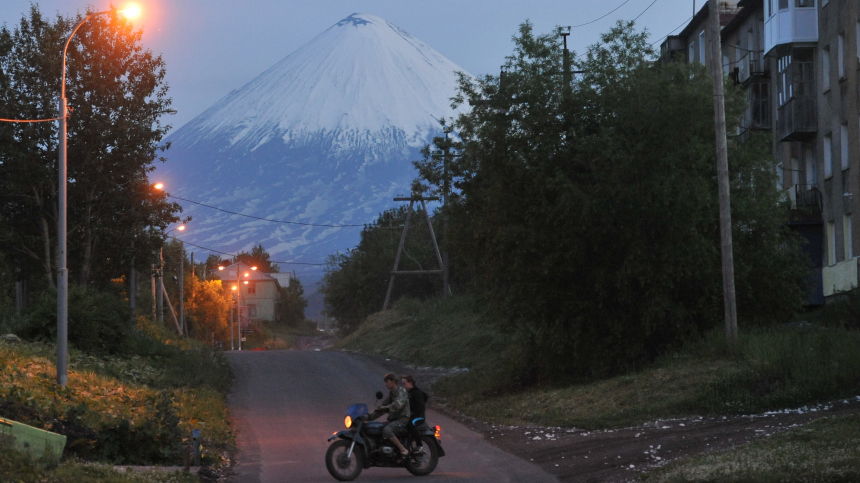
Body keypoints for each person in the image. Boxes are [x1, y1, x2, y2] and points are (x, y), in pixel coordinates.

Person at [368, 373, 411, 458]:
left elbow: (398, 404)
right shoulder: (390, 394)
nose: (386, 384)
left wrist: (387, 408)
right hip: (394, 420)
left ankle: (403, 450)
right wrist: (369, 417)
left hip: (402, 420)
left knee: (387, 430)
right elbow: (382, 408)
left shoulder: (401, 391)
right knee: (377, 427)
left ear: (393, 381)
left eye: (387, 382)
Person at [402, 374, 429, 450]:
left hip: (419, 417)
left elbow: (419, 407)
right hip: (413, 415)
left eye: (404, 384)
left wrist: (411, 414)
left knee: (410, 424)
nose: (403, 386)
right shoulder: (409, 393)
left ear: (410, 383)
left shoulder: (416, 393)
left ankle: (419, 445)